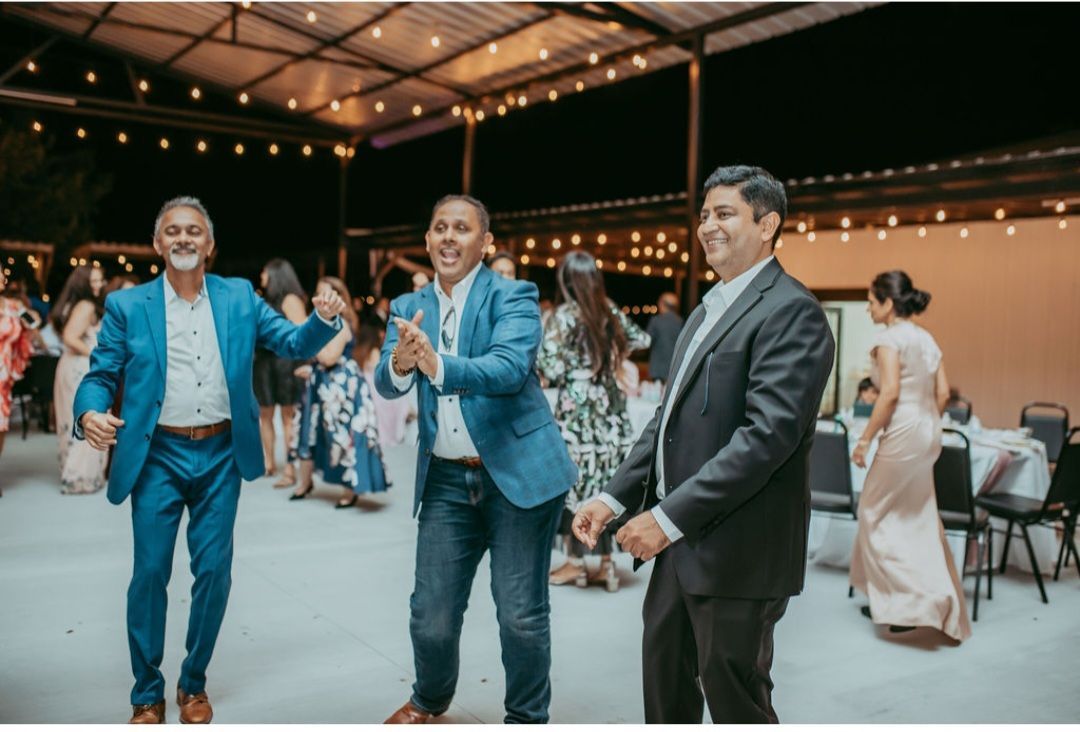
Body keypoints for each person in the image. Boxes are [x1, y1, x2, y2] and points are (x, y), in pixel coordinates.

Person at [573, 165, 835, 723]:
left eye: (724, 214)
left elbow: (766, 439)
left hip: (741, 550)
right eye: (703, 216)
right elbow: (665, 424)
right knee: (665, 689)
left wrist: (665, 519)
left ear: (767, 225)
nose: (707, 226)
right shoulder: (705, 310)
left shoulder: (792, 310)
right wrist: (614, 498)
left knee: (736, 699)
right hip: (681, 546)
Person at [73, 196, 345, 724]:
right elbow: (100, 374)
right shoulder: (129, 307)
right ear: (157, 244)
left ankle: (192, 682)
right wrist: (88, 414)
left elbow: (290, 341)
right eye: (172, 231)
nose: (182, 239)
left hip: (221, 452)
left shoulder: (240, 296)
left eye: (193, 231)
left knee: (215, 571)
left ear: (210, 245)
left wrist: (322, 319)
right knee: (150, 572)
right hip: (157, 455)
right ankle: (146, 691)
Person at [375, 194, 577, 724]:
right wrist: (401, 360)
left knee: (521, 618)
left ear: (485, 243)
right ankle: (429, 699)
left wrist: (435, 363)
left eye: (461, 228)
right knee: (431, 617)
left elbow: (507, 369)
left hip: (518, 476)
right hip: (445, 480)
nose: (448, 237)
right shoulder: (406, 305)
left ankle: (527, 717)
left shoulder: (514, 295)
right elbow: (387, 381)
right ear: (426, 241)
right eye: (438, 227)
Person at [849, 271, 971, 642]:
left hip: (901, 430)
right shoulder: (926, 339)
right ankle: (906, 600)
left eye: (871, 302)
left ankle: (905, 600)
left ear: (888, 303)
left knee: (872, 511)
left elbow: (888, 395)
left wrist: (865, 440)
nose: (869, 309)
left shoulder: (889, 339)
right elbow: (944, 393)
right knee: (916, 515)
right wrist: (925, 421)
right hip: (928, 429)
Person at [538, 251, 649, 591]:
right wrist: (610, 355)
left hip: (577, 413)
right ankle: (604, 566)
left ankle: (574, 563)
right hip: (610, 409)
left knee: (574, 483)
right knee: (606, 483)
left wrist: (575, 368)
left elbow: (549, 365)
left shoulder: (564, 316)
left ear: (567, 281)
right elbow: (642, 339)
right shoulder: (608, 310)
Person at [289, 276, 388, 509]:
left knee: (343, 435)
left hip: (342, 389)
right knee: (308, 431)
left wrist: (303, 333)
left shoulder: (340, 324)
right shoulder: (323, 323)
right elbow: (322, 358)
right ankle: (304, 483)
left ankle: (350, 488)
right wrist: (312, 367)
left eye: (326, 294)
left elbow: (329, 356)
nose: (321, 299)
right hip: (321, 383)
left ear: (339, 298)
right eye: (318, 293)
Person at [52, 264, 109, 494]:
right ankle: (80, 476)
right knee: (89, 419)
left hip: (70, 365)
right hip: (80, 368)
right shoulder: (85, 306)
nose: (98, 285)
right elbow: (69, 337)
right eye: (93, 281)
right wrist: (95, 355)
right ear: (82, 283)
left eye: (100, 280)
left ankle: (76, 473)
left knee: (71, 421)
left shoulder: (72, 305)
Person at [255, 258, 308, 487]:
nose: (262, 277)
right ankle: (269, 462)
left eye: (265, 272)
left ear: (276, 275)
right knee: (264, 414)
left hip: (286, 363)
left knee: (288, 417)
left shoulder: (290, 299)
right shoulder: (266, 301)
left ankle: (290, 467)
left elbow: (302, 334)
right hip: (263, 362)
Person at [0, 268, 32, 469]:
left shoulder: (12, 307)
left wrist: (25, 315)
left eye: (2, 273)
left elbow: (34, 322)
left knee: (2, 422)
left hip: (4, 374)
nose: (2, 277)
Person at [645, 292, 683, 384]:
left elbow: (647, 341)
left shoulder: (656, 321)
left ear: (662, 304)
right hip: (674, 368)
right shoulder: (680, 321)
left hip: (657, 369)